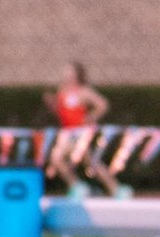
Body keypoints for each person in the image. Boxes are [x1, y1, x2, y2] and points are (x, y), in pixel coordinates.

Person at [43, 62, 124, 198]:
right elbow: (60, 112)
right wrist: (51, 104)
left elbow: (102, 104)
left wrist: (91, 117)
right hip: (67, 133)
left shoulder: (83, 91)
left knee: (91, 162)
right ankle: (77, 186)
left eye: (69, 71)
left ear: (77, 74)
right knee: (56, 158)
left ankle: (115, 188)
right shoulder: (62, 91)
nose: (65, 74)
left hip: (80, 133)